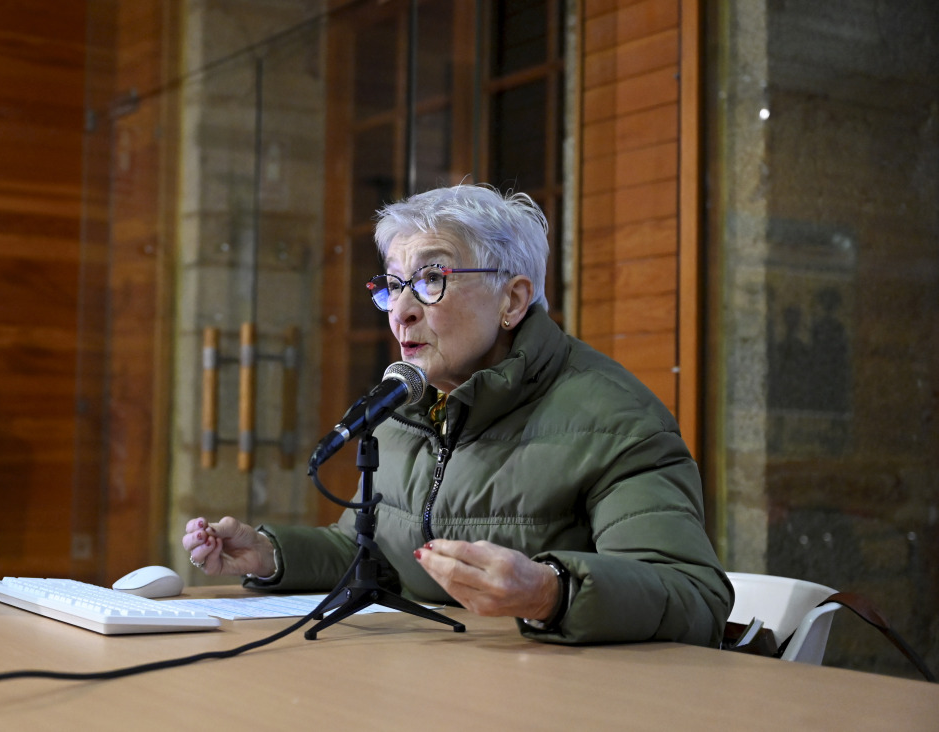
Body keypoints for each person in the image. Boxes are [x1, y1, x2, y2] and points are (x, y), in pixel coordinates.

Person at [183, 184, 732, 645]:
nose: (401, 311)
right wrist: (269, 554)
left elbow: (694, 597)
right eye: (393, 285)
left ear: (512, 301)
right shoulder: (408, 402)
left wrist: (551, 592)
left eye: (431, 279)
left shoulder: (616, 420)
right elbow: (373, 551)